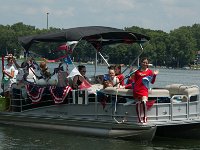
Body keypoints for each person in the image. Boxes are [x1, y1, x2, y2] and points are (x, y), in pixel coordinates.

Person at [133, 57, 159, 123]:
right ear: (141, 63)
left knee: (144, 102)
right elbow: (134, 81)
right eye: (143, 62)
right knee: (137, 103)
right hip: (136, 89)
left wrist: (155, 75)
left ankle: (145, 117)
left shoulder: (149, 71)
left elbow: (152, 82)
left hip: (144, 89)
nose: (145, 64)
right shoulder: (137, 71)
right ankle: (139, 119)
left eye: (146, 63)